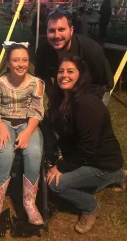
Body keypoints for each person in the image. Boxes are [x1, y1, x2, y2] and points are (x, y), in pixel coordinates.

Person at [46, 56, 126, 234]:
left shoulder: (86, 103)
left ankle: (90, 207)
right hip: (88, 158)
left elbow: (86, 148)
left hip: (100, 163)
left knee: (56, 184)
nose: (64, 75)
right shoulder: (64, 97)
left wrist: (62, 166)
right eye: (61, 71)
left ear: (81, 75)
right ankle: (119, 175)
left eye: (70, 71)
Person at [0, 41, 45, 227]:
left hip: (28, 123)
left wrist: (27, 132)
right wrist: (0, 126)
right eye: (16, 60)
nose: (21, 64)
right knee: (5, 151)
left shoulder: (36, 83)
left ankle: (29, 202)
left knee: (34, 152)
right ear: (8, 63)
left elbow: (37, 111)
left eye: (25, 60)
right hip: (2, 122)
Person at [35, 10, 114, 104]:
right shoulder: (43, 48)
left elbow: (99, 84)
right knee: (57, 112)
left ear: (71, 30)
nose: (56, 36)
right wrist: (54, 101)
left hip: (94, 87)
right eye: (52, 30)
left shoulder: (91, 50)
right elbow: (43, 76)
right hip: (65, 83)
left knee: (86, 115)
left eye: (61, 29)